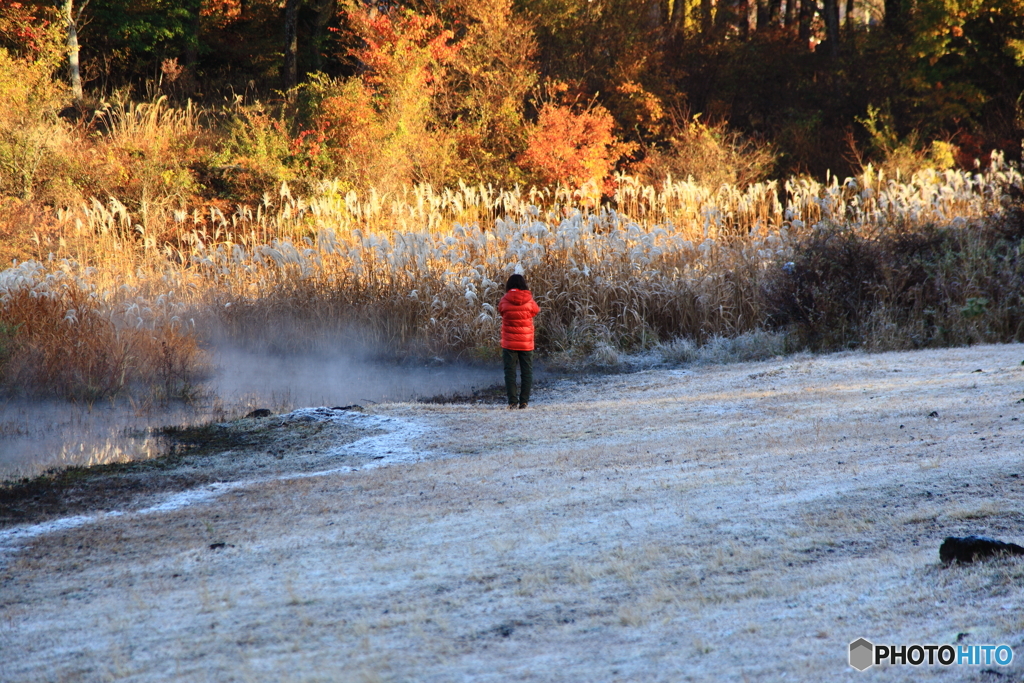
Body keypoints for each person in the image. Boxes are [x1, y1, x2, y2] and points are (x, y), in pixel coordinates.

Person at [498, 273, 540, 409]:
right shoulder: (529, 300)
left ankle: (512, 402)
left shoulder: (504, 299)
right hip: (526, 342)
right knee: (526, 371)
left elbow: (501, 311)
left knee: (510, 372)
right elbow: (536, 311)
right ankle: (524, 402)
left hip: (509, 342)